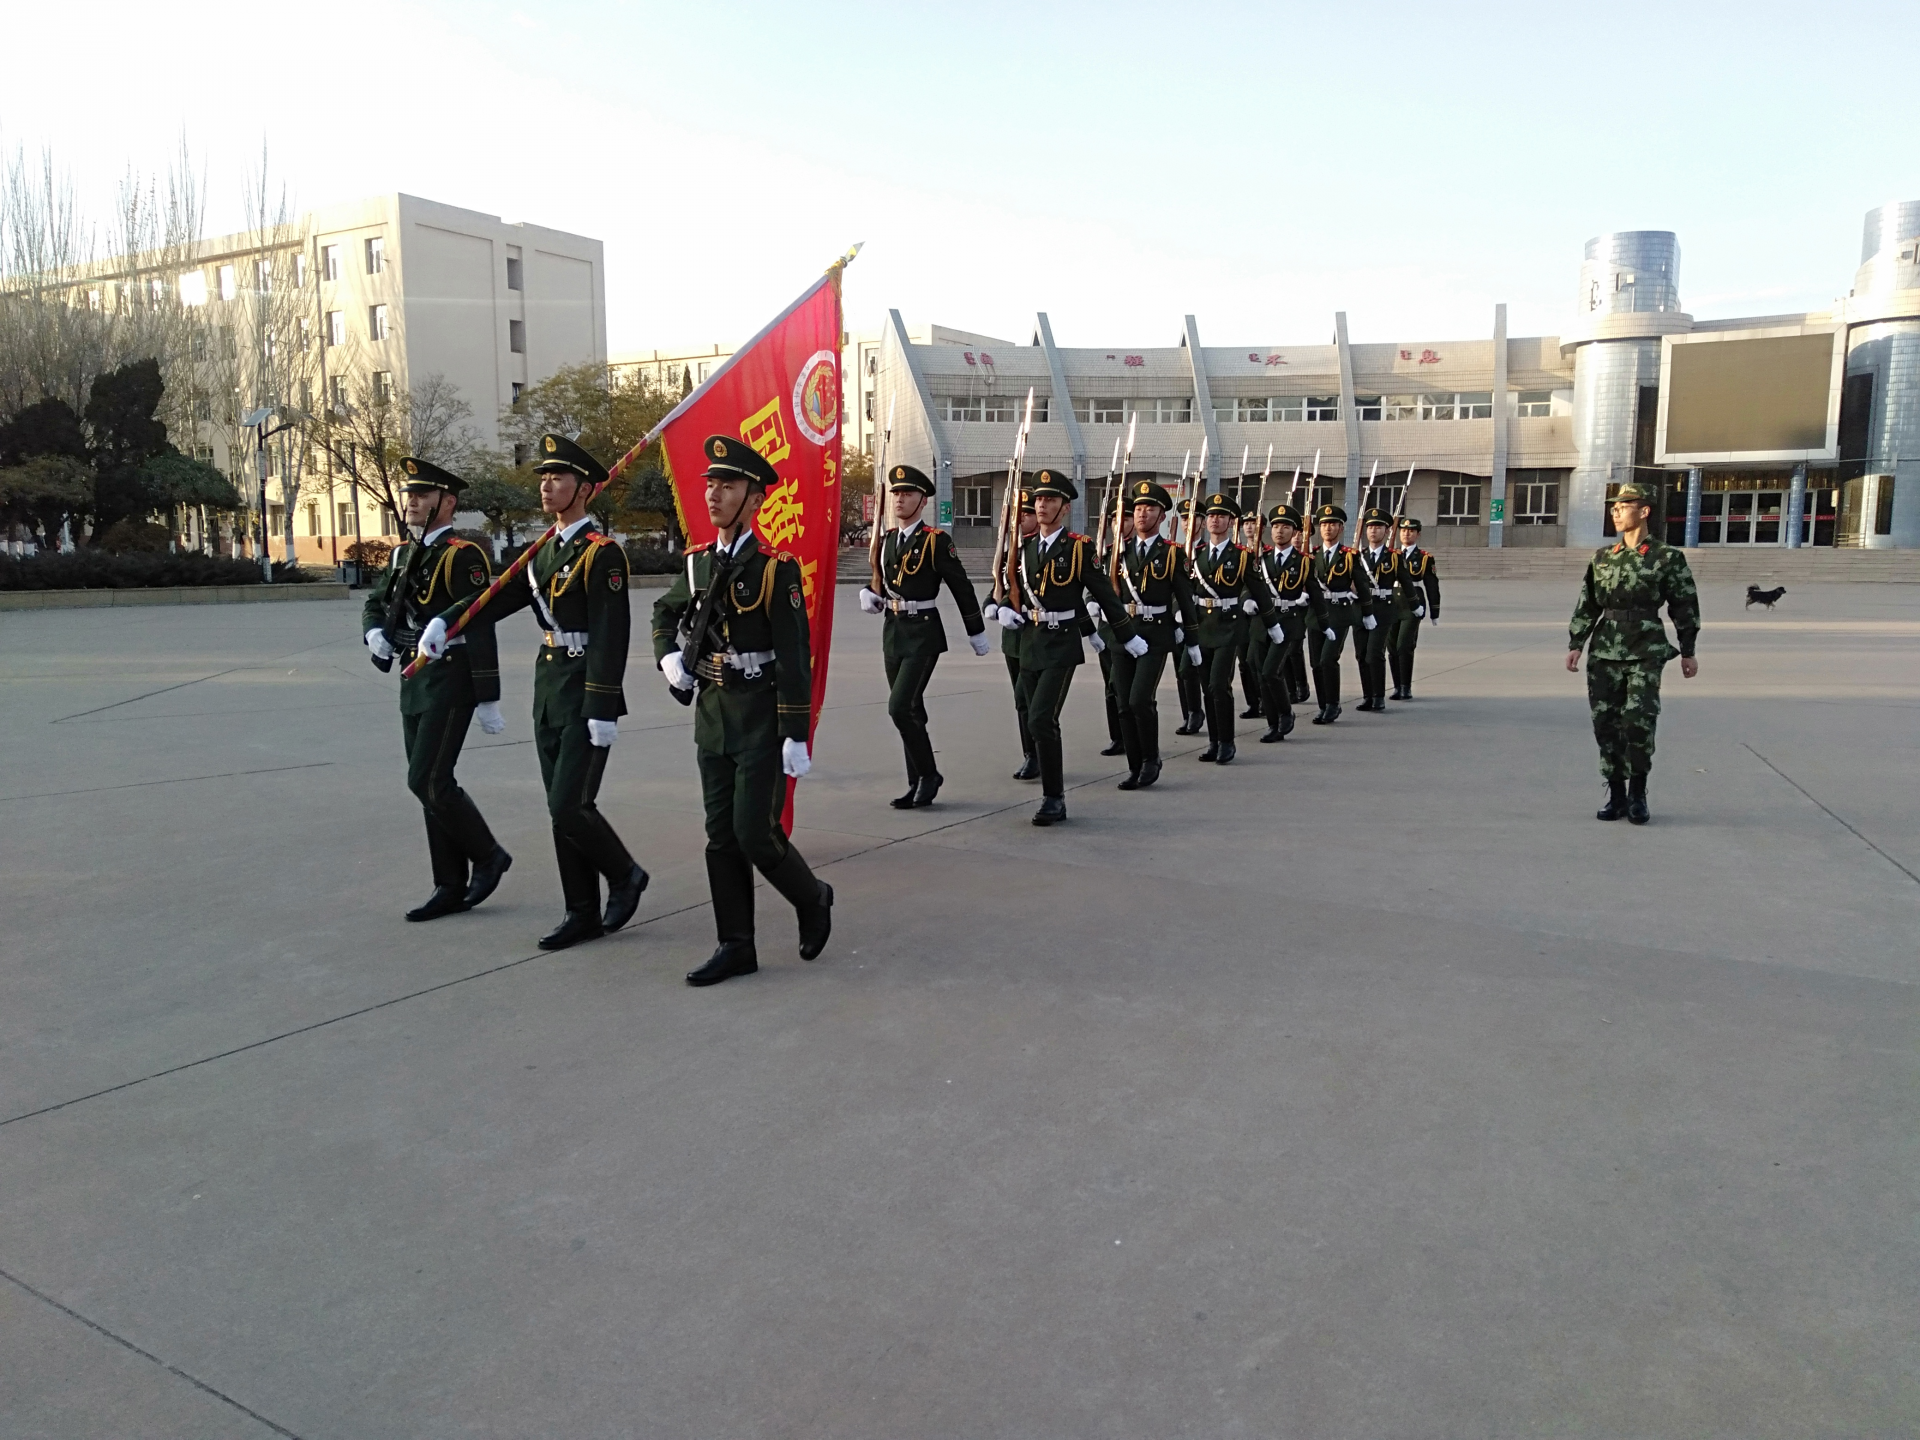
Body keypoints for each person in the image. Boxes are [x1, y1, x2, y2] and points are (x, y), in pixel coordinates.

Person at [419, 433, 647, 952]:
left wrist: (602, 704)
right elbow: (494, 598)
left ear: (583, 489)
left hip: (586, 691)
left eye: (557, 477)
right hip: (550, 690)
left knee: (571, 805)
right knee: (558, 808)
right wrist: (447, 622)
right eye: (543, 477)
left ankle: (625, 874)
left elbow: (612, 634)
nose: (546, 485)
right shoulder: (543, 552)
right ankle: (580, 911)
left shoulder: (602, 554)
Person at [652, 436, 832, 984]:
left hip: (760, 716)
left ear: (754, 499)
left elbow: (795, 656)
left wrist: (795, 732)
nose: (713, 494)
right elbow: (663, 612)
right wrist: (667, 657)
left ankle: (812, 897)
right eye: (710, 484)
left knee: (754, 832)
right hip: (713, 717)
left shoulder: (777, 570)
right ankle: (735, 945)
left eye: (727, 486)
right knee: (720, 836)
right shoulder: (696, 565)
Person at [362, 457, 511, 922]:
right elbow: (376, 601)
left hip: (450, 676)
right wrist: (373, 631)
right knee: (429, 786)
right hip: (413, 676)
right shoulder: (402, 554)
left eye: (421, 495)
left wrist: (487, 694)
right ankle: (448, 884)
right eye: (409, 494)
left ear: (447, 502)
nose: (411, 502)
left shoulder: (462, 555)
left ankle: (488, 855)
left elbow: (479, 616)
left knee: (427, 779)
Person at [996, 469, 1144, 825]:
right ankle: (1048, 785)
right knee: (1033, 717)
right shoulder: (1024, 548)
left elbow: (1106, 594)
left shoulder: (1078, 548)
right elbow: (1008, 585)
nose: (1041, 505)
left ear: (1064, 507)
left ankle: (1054, 798)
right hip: (1029, 642)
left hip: (1061, 644)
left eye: (1050, 500)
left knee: (1041, 718)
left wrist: (1126, 635)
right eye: (1039, 499)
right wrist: (998, 607)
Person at [1566, 482, 1700, 824]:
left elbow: (1684, 604)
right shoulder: (1602, 557)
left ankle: (1638, 793)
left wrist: (1688, 650)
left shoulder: (1667, 557)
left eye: (1623, 506)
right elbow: (1588, 603)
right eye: (1613, 507)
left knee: (1638, 721)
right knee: (1606, 724)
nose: (1616, 512)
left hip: (1645, 648)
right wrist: (1576, 643)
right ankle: (1616, 795)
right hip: (1605, 650)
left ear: (1644, 511)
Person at [856, 464, 989, 808]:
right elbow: (882, 581)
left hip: (923, 633)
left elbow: (961, 586)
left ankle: (929, 775)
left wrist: (975, 630)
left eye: (908, 493)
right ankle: (915, 781)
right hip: (893, 631)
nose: (900, 499)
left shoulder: (935, 541)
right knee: (911, 708)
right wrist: (870, 594)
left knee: (899, 706)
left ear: (923, 500)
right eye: (896, 493)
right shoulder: (886, 540)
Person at [1108, 478, 1201, 789]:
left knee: (1139, 700)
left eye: (1149, 508)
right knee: (1123, 703)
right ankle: (1134, 766)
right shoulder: (1118, 552)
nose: (1141, 513)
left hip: (1155, 634)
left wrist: (1192, 638)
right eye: (1138, 508)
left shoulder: (1173, 554)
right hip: (1124, 633)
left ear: (1162, 516)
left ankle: (1151, 759)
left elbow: (1185, 599)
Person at [1188, 491, 1280, 764]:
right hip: (1202, 626)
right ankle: (1214, 741)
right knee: (1207, 687)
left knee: (1219, 685)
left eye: (1221, 516)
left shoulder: (1241, 556)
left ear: (1231, 522)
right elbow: (1181, 589)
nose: (1215, 520)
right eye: (1211, 516)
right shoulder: (1196, 555)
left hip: (1229, 627)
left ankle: (1227, 742)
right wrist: (1179, 611)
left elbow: (1259, 591)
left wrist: (1272, 623)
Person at [1252, 501, 1330, 743]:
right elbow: (1249, 585)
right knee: (1261, 674)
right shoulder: (1261, 559)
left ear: (1295, 532)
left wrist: (1324, 624)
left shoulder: (1303, 561)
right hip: (1262, 622)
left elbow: (1315, 593)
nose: (1279, 531)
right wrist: (1247, 600)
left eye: (1285, 527)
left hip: (1288, 623)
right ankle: (1273, 724)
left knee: (1270, 672)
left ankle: (1286, 712)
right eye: (1276, 526)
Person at [1307, 503, 1375, 724]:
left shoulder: (1349, 556)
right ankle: (1323, 705)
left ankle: (1333, 705)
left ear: (1341, 528)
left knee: (1328, 659)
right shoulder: (1312, 555)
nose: (1328, 528)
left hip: (1339, 613)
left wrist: (1367, 613)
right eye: (1324, 524)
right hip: (1316, 613)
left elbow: (1362, 585)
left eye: (1333, 524)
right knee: (1316, 663)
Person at [997, 488, 1042, 780]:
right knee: (1021, 700)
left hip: (1036, 635)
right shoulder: (1008, 551)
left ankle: (1039, 753)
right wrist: (993, 605)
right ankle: (1030, 753)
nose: (1021, 519)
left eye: (1026, 513)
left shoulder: (1039, 550)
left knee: (1031, 699)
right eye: (1017, 514)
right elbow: (999, 587)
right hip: (1012, 638)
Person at [1088, 508, 1134, 759]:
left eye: (1126, 518)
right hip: (1107, 629)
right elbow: (1092, 583)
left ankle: (1136, 736)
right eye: (1115, 520)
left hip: (1133, 627)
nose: (1120, 523)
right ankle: (1118, 737)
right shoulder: (1104, 554)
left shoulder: (1138, 552)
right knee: (1111, 685)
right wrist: (1090, 601)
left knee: (1130, 689)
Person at [1350, 505, 1404, 712]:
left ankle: (1379, 696)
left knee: (1374, 653)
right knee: (1361, 654)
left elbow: (1406, 582)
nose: (1373, 531)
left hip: (1382, 609)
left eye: (1379, 527)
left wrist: (1415, 605)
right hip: (1360, 608)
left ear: (1387, 531)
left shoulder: (1393, 557)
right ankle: (1368, 696)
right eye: (1370, 527)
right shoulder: (1357, 556)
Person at [1391, 516, 1441, 699]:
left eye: (1411, 531)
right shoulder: (1391, 554)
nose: (1406, 534)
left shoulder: (1424, 558)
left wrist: (1434, 611)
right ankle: (1397, 686)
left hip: (1412, 604)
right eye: (1403, 531)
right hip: (1391, 603)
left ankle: (1406, 686)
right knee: (1392, 647)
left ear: (1418, 534)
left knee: (1404, 645)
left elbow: (1432, 585)